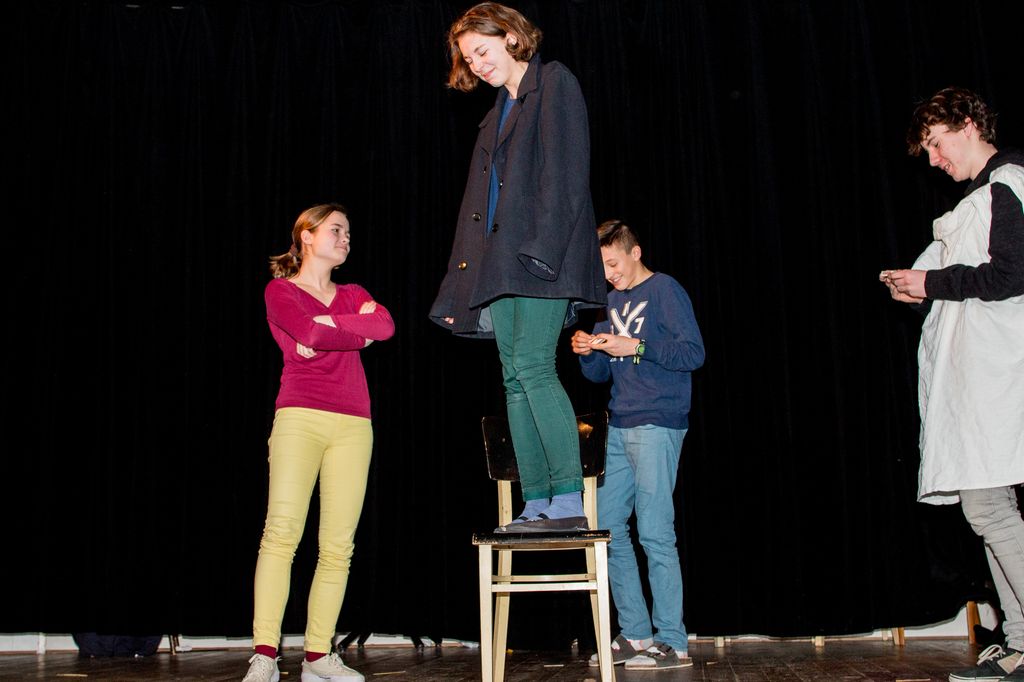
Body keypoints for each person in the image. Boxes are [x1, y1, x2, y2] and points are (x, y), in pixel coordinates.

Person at [428, 2, 606, 532]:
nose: (477, 65)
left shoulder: (554, 83)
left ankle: (568, 502)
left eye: (482, 51)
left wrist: (543, 252)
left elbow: (566, 176)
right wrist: (464, 277)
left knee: (533, 368)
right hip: (499, 263)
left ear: (510, 36)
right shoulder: (495, 113)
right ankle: (537, 503)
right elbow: (477, 207)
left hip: (539, 255)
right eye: (469, 59)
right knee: (513, 379)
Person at [881, 86, 1024, 682]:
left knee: (989, 508)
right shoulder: (981, 197)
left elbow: (1011, 275)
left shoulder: (1007, 184)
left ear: (967, 125)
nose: (934, 161)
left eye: (937, 145)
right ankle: (1018, 642)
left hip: (997, 376)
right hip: (977, 380)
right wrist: (920, 289)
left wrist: (932, 283)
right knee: (987, 509)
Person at [243, 203, 395, 682]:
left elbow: (385, 327)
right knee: (281, 533)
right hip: (300, 417)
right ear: (306, 235)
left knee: (337, 546)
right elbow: (310, 330)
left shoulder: (353, 292)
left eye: (348, 232)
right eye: (336, 229)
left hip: (354, 423)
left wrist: (329, 328)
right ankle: (264, 655)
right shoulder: (281, 291)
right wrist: (351, 330)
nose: (345, 238)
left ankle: (317, 656)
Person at [571, 219, 705, 670]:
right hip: (620, 423)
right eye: (601, 268)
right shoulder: (607, 301)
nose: (608, 274)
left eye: (613, 264)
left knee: (654, 531)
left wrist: (637, 346)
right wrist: (589, 352)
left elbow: (693, 354)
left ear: (635, 252)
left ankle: (672, 640)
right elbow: (600, 375)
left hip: (658, 422)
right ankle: (635, 631)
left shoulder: (666, 290)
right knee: (607, 527)